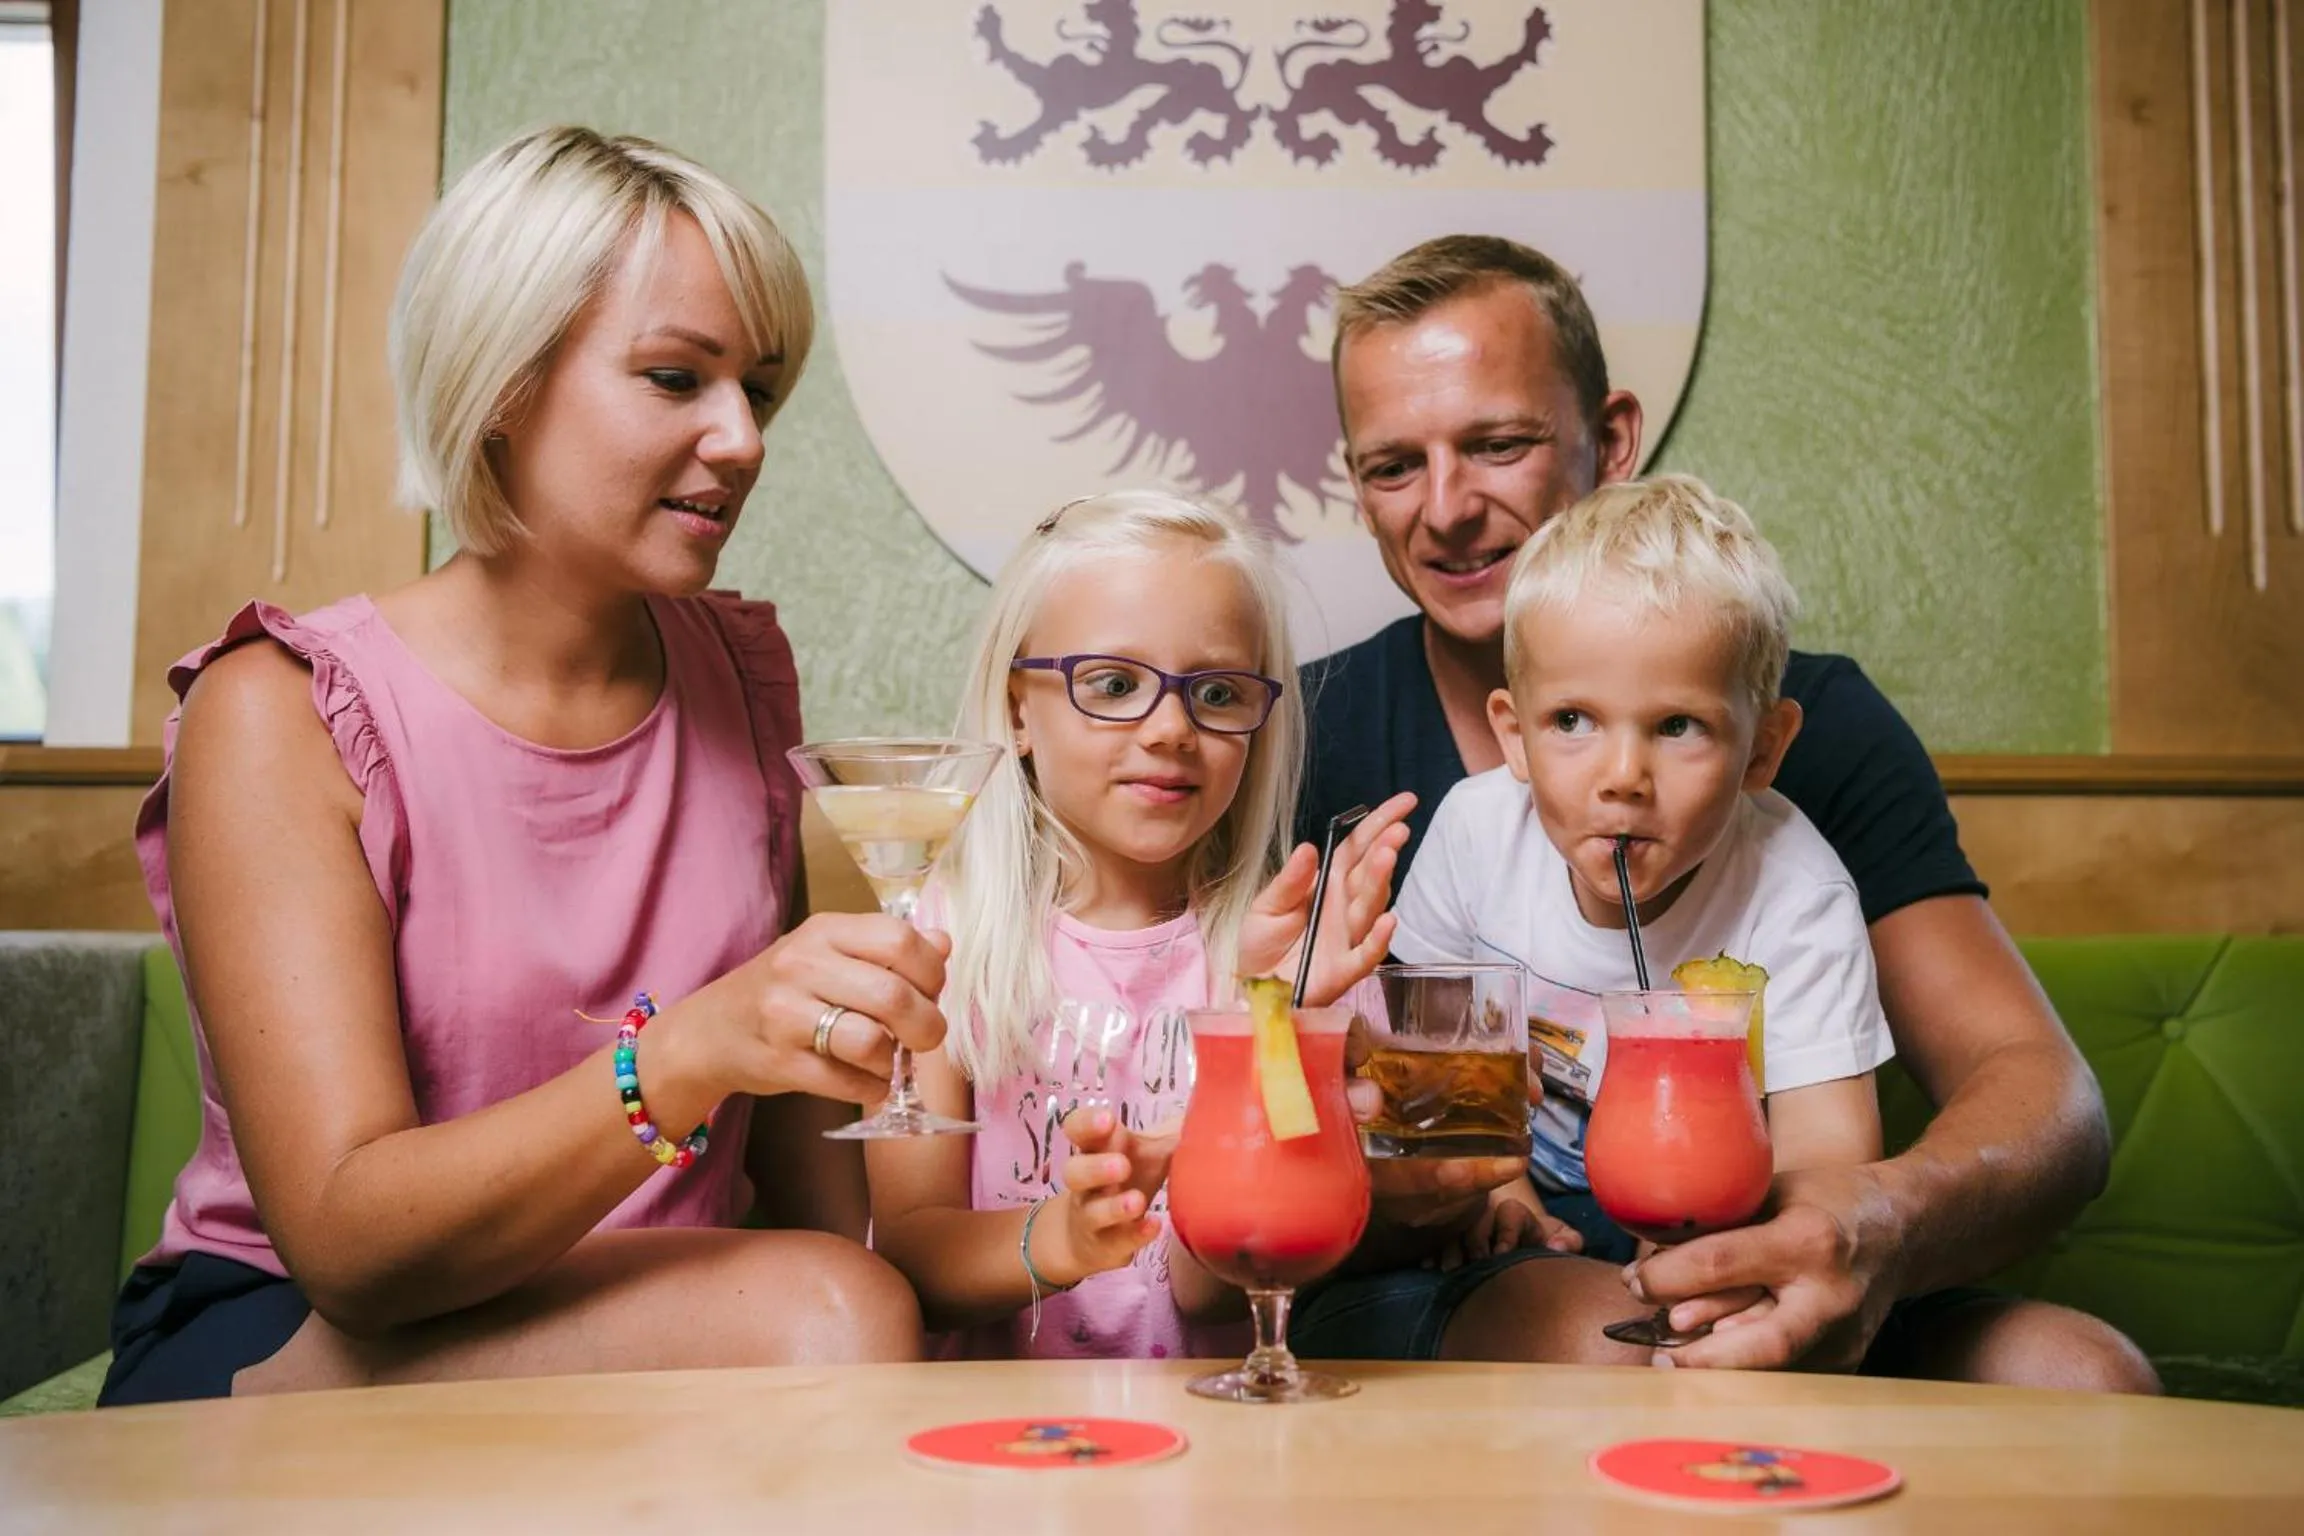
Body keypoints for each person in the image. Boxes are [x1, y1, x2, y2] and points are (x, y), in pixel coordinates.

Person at [102, 127, 943, 1404]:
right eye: (676, 378)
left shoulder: (742, 677)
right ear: (500, 381)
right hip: (295, 1332)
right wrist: (687, 1052)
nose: (744, 439)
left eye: (758, 392)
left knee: (863, 1305)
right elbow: (347, 1246)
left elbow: (795, 1156)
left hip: (657, 1311)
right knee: (831, 1312)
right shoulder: (277, 711)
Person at [1292, 235, 2157, 1391]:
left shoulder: (1806, 738)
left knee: (2084, 1376)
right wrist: (1418, 1181)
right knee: (1618, 1341)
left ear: (1610, 443)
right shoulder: (1307, 738)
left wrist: (1859, 1232)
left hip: (1759, 1259)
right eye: (1394, 466)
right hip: (1490, 1279)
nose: (1446, 509)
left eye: (1498, 445)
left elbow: (2048, 1101)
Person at [869, 490, 1410, 1357]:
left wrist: (1273, 1019)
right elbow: (910, 1257)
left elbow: (1213, 1289)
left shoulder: (1298, 952)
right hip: (1003, 1444)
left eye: (1219, 692)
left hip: (1223, 1434)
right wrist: (1064, 1240)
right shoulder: (943, 939)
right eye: (1114, 684)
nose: (1170, 729)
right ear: (1019, 712)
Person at [1382, 473, 1893, 1357]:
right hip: (1522, 1225)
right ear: (1514, 733)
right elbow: (1431, 1079)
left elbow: (1830, 1166)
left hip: (1722, 1226)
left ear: (1763, 748)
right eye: (1573, 719)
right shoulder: (1474, 833)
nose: (1623, 774)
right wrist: (1500, 1199)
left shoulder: (1797, 897)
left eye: (1678, 727)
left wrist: (1730, 1251)